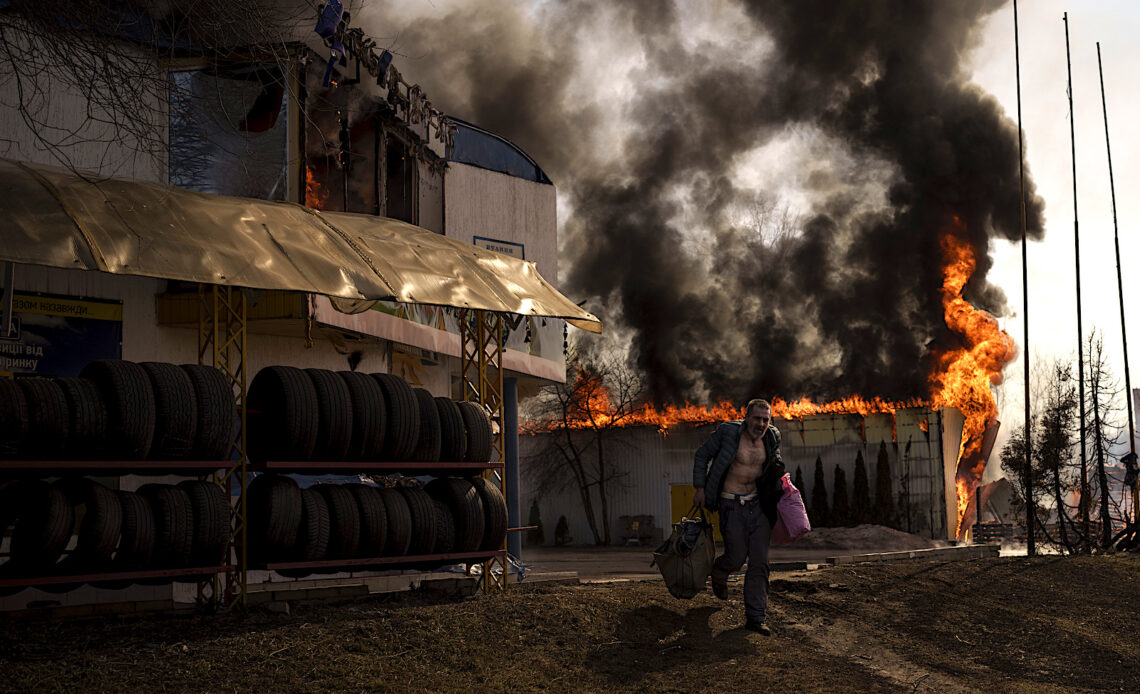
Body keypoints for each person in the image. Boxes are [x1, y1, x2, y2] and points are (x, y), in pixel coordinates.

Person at [692, 398, 785, 635]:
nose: (761, 423)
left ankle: (755, 617)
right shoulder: (727, 433)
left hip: (758, 507)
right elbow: (702, 455)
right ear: (746, 417)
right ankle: (720, 570)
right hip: (730, 505)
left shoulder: (772, 437)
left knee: (759, 562)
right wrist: (700, 488)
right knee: (736, 557)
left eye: (766, 419)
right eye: (757, 418)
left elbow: (774, 465)